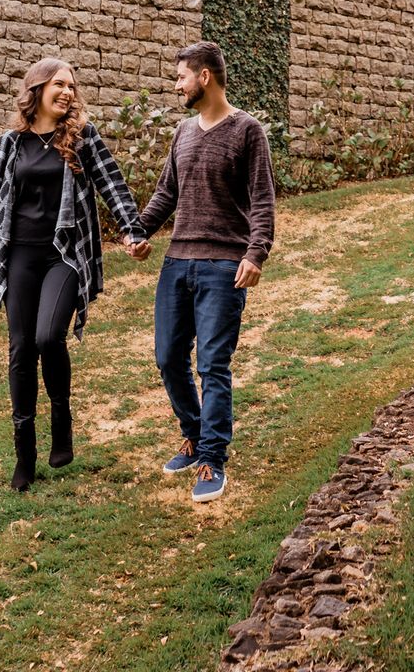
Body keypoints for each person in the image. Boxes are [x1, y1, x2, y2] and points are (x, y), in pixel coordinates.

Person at [0, 57, 149, 492]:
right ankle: (25, 454)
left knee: (46, 338)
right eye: (59, 84)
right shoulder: (10, 143)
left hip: (64, 255)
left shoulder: (81, 138)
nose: (68, 92)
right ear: (36, 89)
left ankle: (61, 421)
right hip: (18, 255)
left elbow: (112, 185)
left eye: (72, 86)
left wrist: (132, 231)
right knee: (20, 350)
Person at [128, 41, 275, 504]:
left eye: (181, 77)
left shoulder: (247, 131)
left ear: (205, 77)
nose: (176, 85)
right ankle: (192, 436)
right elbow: (165, 194)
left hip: (223, 265)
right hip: (177, 262)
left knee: (212, 363)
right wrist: (138, 230)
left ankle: (213, 457)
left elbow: (262, 200)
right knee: (168, 357)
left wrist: (255, 254)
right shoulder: (182, 133)